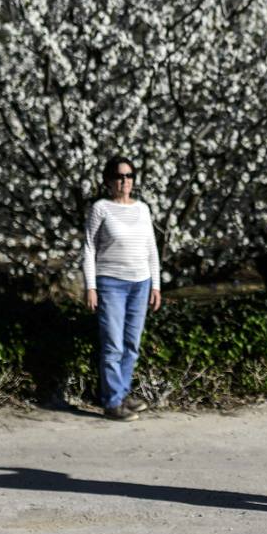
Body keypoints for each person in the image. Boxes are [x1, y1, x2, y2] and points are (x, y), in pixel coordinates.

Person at [82, 155, 162, 421]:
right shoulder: (101, 208)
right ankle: (112, 402)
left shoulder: (143, 209)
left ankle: (122, 393)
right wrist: (90, 286)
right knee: (113, 345)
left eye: (129, 176)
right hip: (111, 283)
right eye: (119, 176)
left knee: (131, 344)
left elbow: (151, 248)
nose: (124, 181)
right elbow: (89, 247)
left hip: (141, 283)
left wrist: (156, 284)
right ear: (108, 181)